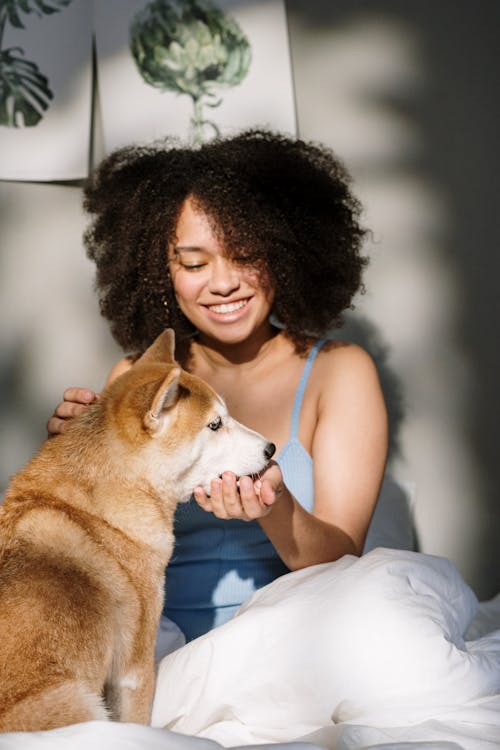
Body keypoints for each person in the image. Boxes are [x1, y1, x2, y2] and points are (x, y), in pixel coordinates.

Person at [47, 129, 388, 642]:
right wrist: (71, 459)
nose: (223, 282)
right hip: (155, 644)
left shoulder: (339, 371)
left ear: (286, 255)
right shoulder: (137, 380)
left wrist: (276, 508)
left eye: (245, 255)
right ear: (159, 272)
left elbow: (342, 559)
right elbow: (93, 551)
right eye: (194, 262)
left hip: (292, 644)